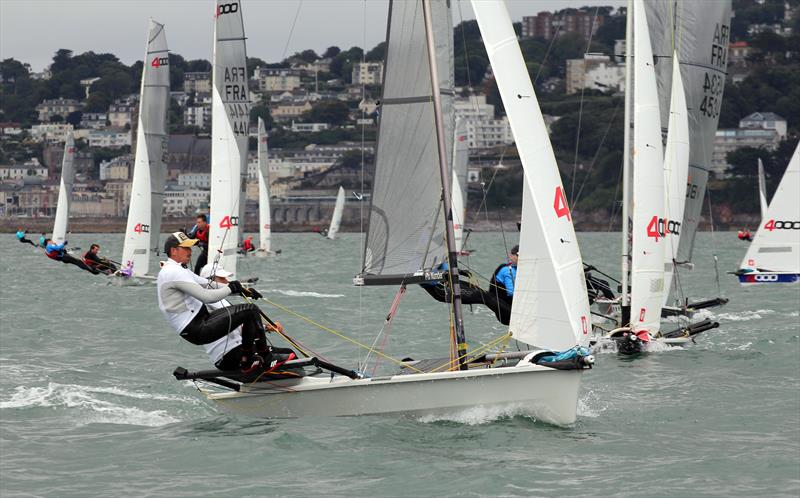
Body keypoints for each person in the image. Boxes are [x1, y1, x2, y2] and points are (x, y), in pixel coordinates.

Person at [157, 232, 294, 374]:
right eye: (186, 248)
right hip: (196, 328)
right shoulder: (172, 272)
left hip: (199, 323)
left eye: (190, 247)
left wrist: (243, 290)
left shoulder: (176, 269)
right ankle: (262, 358)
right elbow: (207, 296)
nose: (190, 251)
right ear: (173, 250)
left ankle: (254, 360)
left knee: (249, 311)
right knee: (250, 310)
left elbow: (207, 284)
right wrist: (230, 288)